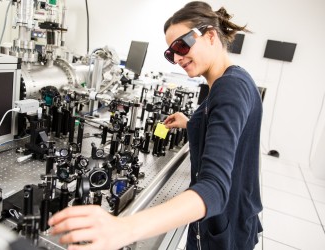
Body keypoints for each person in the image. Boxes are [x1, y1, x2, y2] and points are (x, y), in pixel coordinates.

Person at [48, 1, 263, 249]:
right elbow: (231, 132)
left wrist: (124, 227)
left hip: (225, 229)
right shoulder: (235, 78)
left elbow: (214, 189)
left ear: (211, 36)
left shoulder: (229, 88)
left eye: (182, 45)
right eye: (171, 54)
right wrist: (191, 122)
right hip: (233, 217)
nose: (179, 57)